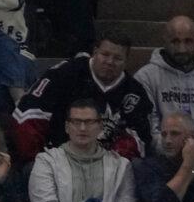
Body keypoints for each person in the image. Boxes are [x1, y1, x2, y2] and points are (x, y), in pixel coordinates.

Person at [13, 31, 152, 161]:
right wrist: (41, 159)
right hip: (56, 159)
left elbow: (141, 137)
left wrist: (109, 160)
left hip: (108, 166)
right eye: (105, 54)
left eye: (117, 58)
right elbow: (28, 115)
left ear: (126, 61)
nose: (110, 62)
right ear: (94, 52)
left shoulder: (135, 93)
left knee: (138, 167)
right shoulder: (65, 74)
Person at [27, 99, 136, 202]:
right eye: (76, 122)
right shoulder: (46, 161)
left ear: (100, 126)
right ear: (67, 127)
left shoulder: (120, 165)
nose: (83, 128)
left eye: (89, 122)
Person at [134, 15, 194, 162]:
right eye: (175, 41)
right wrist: (175, 155)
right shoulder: (146, 77)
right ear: (165, 41)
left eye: (188, 41)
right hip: (162, 164)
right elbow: (148, 128)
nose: (182, 49)